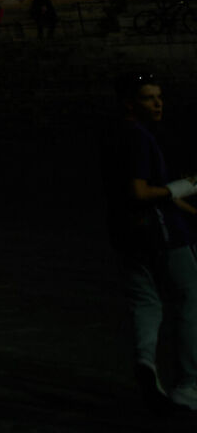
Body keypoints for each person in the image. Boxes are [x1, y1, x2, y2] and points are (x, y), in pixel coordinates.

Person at [111, 74, 197, 413]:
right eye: (149, 98)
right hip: (162, 234)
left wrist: (183, 198)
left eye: (159, 96)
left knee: (145, 301)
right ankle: (189, 384)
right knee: (189, 300)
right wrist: (181, 187)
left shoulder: (114, 135)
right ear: (130, 103)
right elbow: (141, 192)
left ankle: (145, 361)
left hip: (126, 234)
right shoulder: (139, 137)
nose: (159, 103)